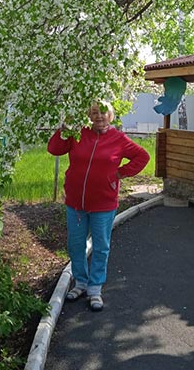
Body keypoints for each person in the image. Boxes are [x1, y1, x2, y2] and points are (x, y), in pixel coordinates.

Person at [47, 101, 150, 312]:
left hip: (104, 204)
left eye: (103, 113)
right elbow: (54, 149)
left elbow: (143, 157)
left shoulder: (119, 139)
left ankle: (95, 289)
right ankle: (80, 283)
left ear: (110, 116)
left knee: (101, 246)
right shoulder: (79, 134)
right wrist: (65, 128)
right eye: (94, 113)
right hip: (76, 202)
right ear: (89, 115)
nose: (99, 116)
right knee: (76, 244)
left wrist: (120, 173)